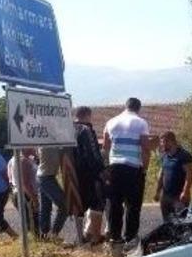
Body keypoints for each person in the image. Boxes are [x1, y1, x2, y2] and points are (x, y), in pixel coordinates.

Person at [103, 97, 151, 249]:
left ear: (126, 106)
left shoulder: (111, 122)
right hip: (132, 167)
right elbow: (146, 149)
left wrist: (107, 168)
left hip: (114, 167)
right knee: (133, 205)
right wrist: (144, 169)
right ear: (138, 108)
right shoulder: (141, 123)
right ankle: (130, 238)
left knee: (115, 204)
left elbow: (105, 147)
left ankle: (115, 238)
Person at [73, 106, 106, 244]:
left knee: (79, 205)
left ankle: (81, 237)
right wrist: (101, 171)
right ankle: (96, 237)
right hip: (90, 174)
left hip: (74, 174)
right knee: (97, 203)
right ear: (87, 115)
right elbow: (92, 153)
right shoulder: (86, 130)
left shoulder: (68, 130)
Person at [154, 131, 192, 221]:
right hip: (165, 197)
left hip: (179, 197)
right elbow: (161, 174)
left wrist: (185, 191)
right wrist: (157, 192)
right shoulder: (165, 156)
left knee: (179, 224)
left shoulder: (184, 156)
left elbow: (190, 174)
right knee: (167, 224)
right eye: (161, 142)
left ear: (171, 141)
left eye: (163, 142)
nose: (162, 145)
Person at [37, 146, 68, 239]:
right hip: (46, 177)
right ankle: (54, 234)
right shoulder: (46, 142)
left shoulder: (53, 142)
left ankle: (45, 234)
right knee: (64, 205)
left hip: (47, 176)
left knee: (45, 207)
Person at [7, 147, 39, 236]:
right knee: (32, 223)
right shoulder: (23, 161)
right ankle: (36, 243)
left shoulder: (13, 160)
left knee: (31, 222)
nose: (34, 147)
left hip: (18, 193)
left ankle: (35, 241)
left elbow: (10, 179)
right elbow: (25, 183)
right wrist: (34, 199)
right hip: (26, 195)